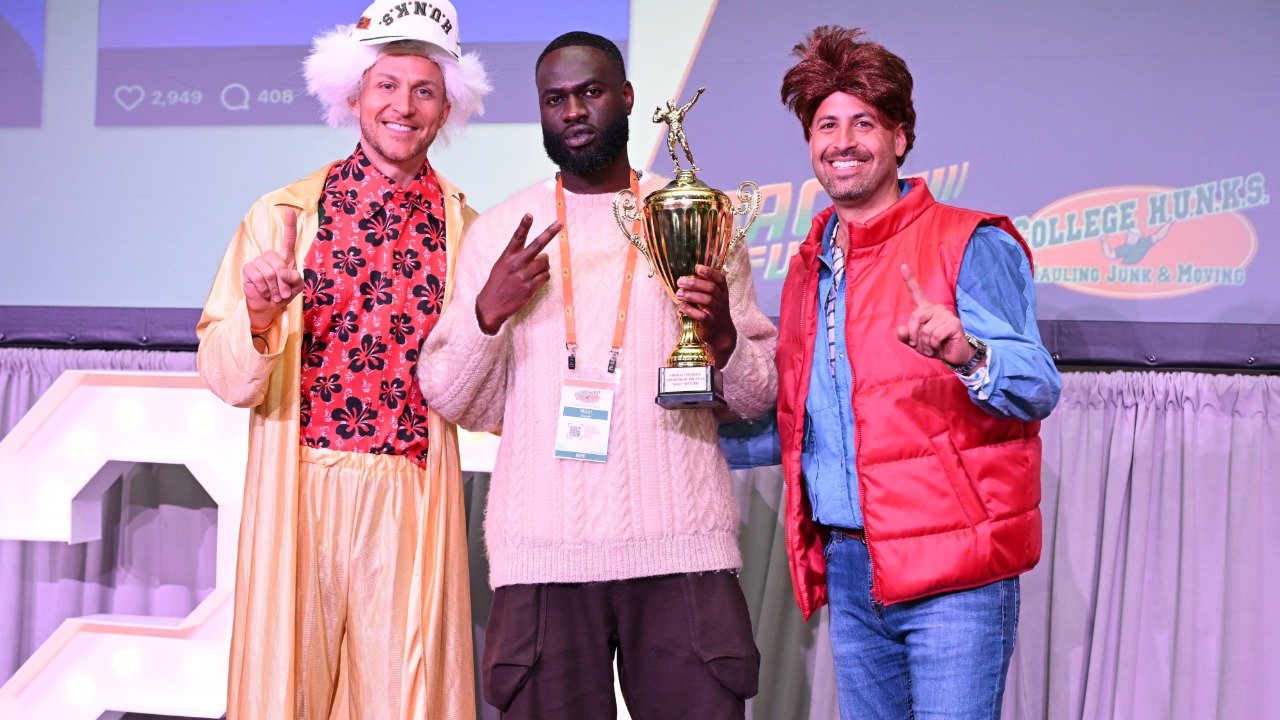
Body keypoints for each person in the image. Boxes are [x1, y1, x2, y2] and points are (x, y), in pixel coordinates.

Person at [418, 31, 777, 720]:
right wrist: (486, 316)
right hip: (544, 556)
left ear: (627, 97)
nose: (574, 111)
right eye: (556, 100)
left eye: (590, 92)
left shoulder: (696, 218)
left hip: (681, 549)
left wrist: (725, 334)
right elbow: (457, 398)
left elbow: (756, 396)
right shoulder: (498, 233)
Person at [195, 1, 489, 717]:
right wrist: (261, 314)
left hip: (412, 495)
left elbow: (484, 389)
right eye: (386, 84)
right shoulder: (283, 216)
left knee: (404, 697)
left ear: (446, 108)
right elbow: (225, 374)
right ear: (353, 95)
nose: (403, 105)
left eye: (424, 90)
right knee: (287, 691)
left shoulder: (470, 233)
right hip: (302, 484)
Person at [773, 26, 1062, 720]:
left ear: (900, 136)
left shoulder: (971, 239)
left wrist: (967, 352)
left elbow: (1038, 384)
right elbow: (800, 418)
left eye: (864, 122)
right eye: (826, 124)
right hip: (851, 564)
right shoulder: (807, 263)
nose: (842, 141)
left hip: (954, 570)